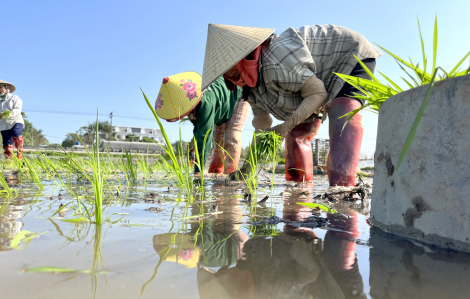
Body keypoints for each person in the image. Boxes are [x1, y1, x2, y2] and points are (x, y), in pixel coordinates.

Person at [201, 24, 381, 186]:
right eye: (226, 72)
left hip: (347, 54)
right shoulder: (250, 87)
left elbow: (317, 93)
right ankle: (299, 190)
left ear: (244, 56)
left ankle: (342, 190)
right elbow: (262, 127)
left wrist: (284, 127)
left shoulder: (275, 59)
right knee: (297, 133)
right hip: (310, 84)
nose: (231, 74)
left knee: (342, 113)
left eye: (232, 66)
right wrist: (249, 167)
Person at [155, 72, 250, 174]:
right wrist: (194, 140)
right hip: (221, 107)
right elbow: (199, 128)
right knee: (218, 143)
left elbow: (205, 140)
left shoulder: (205, 104)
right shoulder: (190, 106)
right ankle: (216, 174)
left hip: (239, 94)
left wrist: (197, 172)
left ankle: (230, 176)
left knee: (232, 136)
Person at [0, 80, 24, 160]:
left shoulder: (14, 98)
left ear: (6, 87)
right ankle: (9, 161)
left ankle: (20, 154)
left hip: (15, 120)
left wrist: (7, 114)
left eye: (1, 87)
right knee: (7, 143)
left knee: (16, 134)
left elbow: (17, 109)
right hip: (3, 124)